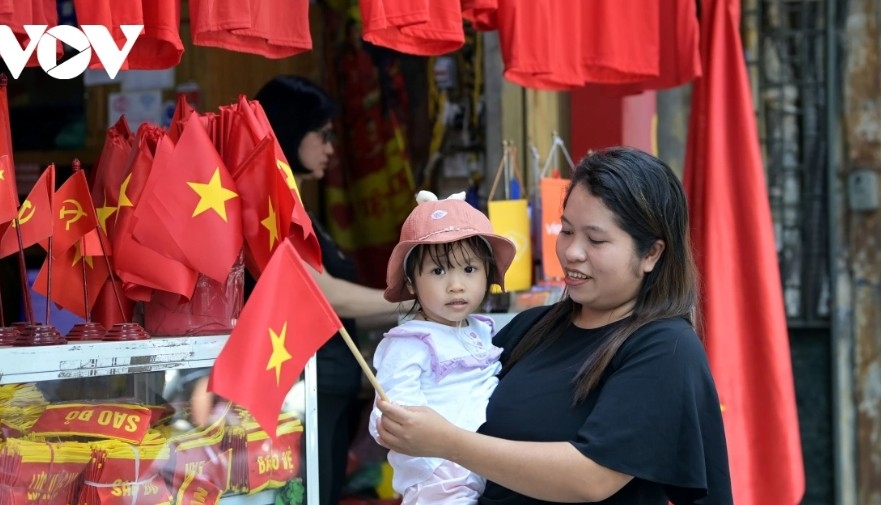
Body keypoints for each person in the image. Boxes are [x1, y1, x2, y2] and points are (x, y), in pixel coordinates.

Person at [375, 147, 733, 504]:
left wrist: (446, 442)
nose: (572, 252)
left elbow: (592, 477)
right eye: (565, 230)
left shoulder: (665, 348)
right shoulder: (531, 328)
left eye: (595, 239)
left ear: (651, 254)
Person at [190, 75, 408, 505]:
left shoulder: (299, 209)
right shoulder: (268, 213)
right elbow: (320, 293)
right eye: (322, 134)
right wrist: (412, 303)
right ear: (290, 130)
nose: (330, 148)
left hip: (327, 389)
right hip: (300, 390)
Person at [369, 190, 516, 504]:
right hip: (440, 472)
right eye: (438, 271)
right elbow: (391, 416)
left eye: (469, 269)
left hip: (488, 460)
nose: (456, 285)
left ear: (488, 273)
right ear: (410, 282)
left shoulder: (480, 330)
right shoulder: (410, 342)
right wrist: (424, 448)